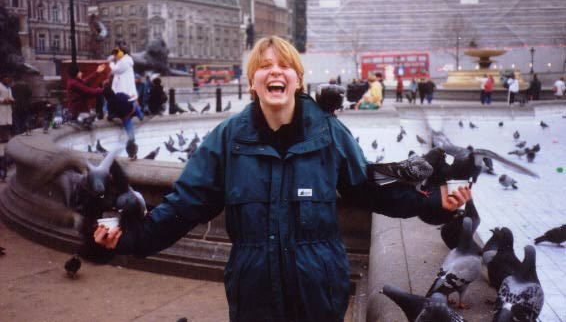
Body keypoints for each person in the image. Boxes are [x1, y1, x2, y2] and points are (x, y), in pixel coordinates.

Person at [94, 36, 471, 322]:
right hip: (254, 296)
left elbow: (369, 191)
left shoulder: (329, 134)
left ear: (297, 80)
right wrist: (128, 237)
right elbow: (184, 207)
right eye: (264, 67)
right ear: (253, 83)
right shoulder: (227, 140)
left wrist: (432, 201)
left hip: (319, 293)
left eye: (284, 66)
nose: (274, 71)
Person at [107, 46, 143, 121]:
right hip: (124, 87)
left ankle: (138, 114)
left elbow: (116, 70)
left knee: (126, 103)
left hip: (125, 87)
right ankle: (138, 114)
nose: (115, 56)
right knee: (127, 102)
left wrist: (111, 63)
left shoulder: (125, 61)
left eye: (116, 54)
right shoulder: (123, 61)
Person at [0, 74, 14, 142]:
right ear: (2, 79)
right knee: (1, 123)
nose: (7, 80)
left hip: (8, 107)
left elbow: (11, 96)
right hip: (1, 107)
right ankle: (2, 138)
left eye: (8, 79)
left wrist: (11, 99)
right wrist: (3, 100)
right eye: (5, 79)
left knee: (7, 123)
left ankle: (6, 138)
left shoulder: (8, 87)